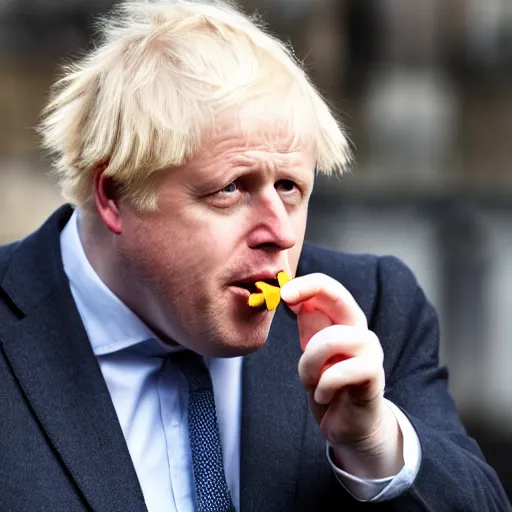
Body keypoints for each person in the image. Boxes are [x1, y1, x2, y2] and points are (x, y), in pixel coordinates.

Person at [0, 1, 509, 511]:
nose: (280, 234)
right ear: (115, 194)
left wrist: (376, 445)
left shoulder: (372, 311)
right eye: (231, 189)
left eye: (289, 186)